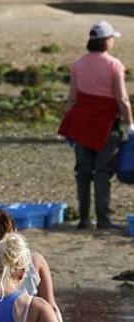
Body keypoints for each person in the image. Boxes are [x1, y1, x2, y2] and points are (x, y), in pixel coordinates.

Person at [59, 21, 134, 229]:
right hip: (106, 125)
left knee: (83, 172)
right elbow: (122, 99)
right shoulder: (114, 66)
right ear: (106, 41)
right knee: (102, 172)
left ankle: (84, 219)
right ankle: (103, 219)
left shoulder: (78, 64)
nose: (113, 42)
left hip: (82, 124)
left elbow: (72, 99)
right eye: (111, 38)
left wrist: (68, 126)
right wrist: (130, 125)